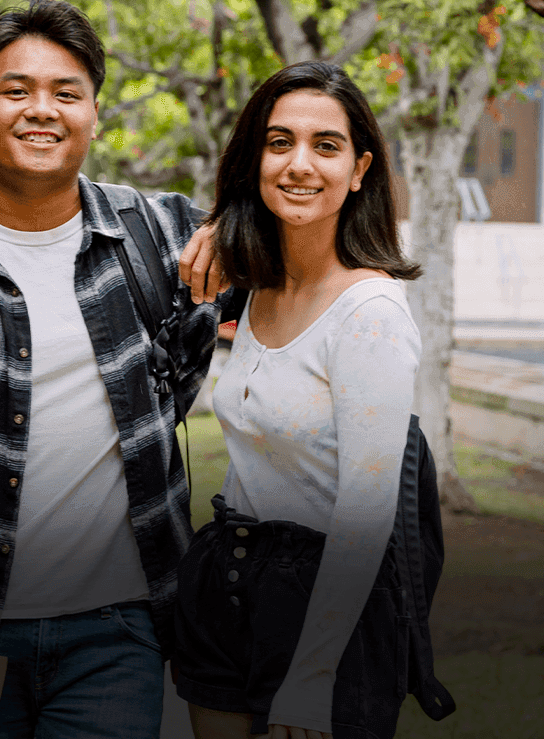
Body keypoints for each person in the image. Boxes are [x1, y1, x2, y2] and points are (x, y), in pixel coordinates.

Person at [0, 0, 232, 739]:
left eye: (65, 93)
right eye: (15, 90)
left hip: (119, 635)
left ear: (94, 113)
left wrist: (238, 220)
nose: (42, 111)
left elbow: (200, 353)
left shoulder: (158, 234)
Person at [172, 60, 424, 739]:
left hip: (325, 609)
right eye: (278, 142)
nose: (298, 164)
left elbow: (366, 512)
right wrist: (219, 227)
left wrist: (312, 674)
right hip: (226, 578)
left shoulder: (369, 312)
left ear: (360, 168)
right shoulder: (256, 289)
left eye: (325, 145)